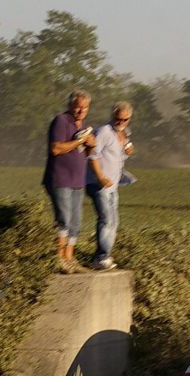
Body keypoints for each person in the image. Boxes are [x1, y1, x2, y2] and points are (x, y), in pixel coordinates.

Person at [42, 90, 97, 274]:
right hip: (60, 178)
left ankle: (69, 258)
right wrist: (78, 141)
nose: (81, 111)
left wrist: (90, 145)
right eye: (78, 107)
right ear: (70, 106)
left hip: (77, 181)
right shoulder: (61, 121)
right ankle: (59, 259)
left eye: (85, 108)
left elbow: (86, 154)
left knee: (76, 222)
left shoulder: (83, 125)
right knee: (63, 220)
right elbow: (56, 148)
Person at [86, 101, 135, 270]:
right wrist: (99, 176)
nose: (121, 122)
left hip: (113, 185)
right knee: (106, 219)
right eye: (118, 118)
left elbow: (116, 157)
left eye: (125, 119)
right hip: (97, 183)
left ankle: (104, 255)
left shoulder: (124, 134)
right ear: (112, 115)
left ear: (129, 118)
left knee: (114, 221)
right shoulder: (104, 132)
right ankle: (101, 257)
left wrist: (127, 152)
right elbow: (92, 154)